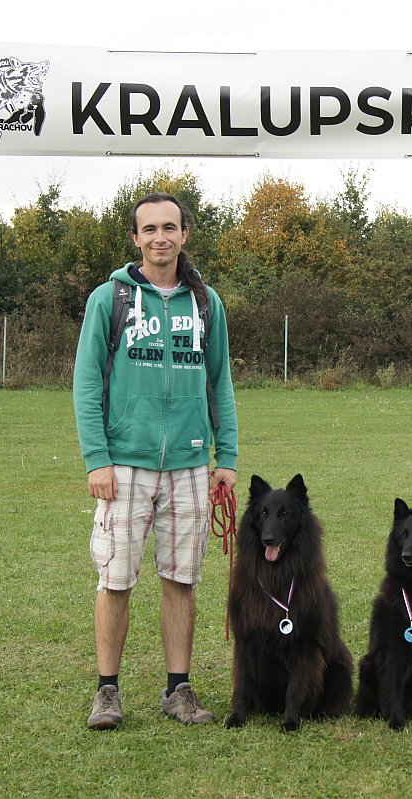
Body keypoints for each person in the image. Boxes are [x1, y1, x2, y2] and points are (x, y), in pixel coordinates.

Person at [72, 192, 238, 730]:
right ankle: (107, 691)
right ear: (135, 238)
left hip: (190, 465)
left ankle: (178, 689)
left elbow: (221, 384)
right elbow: (87, 382)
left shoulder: (207, 303)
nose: (160, 238)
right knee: (115, 579)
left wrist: (226, 456)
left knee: (181, 579)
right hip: (124, 465)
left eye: (170, 228)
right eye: (150, 229)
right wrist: (98, 458)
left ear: (185, 234)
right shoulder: (110, 299)